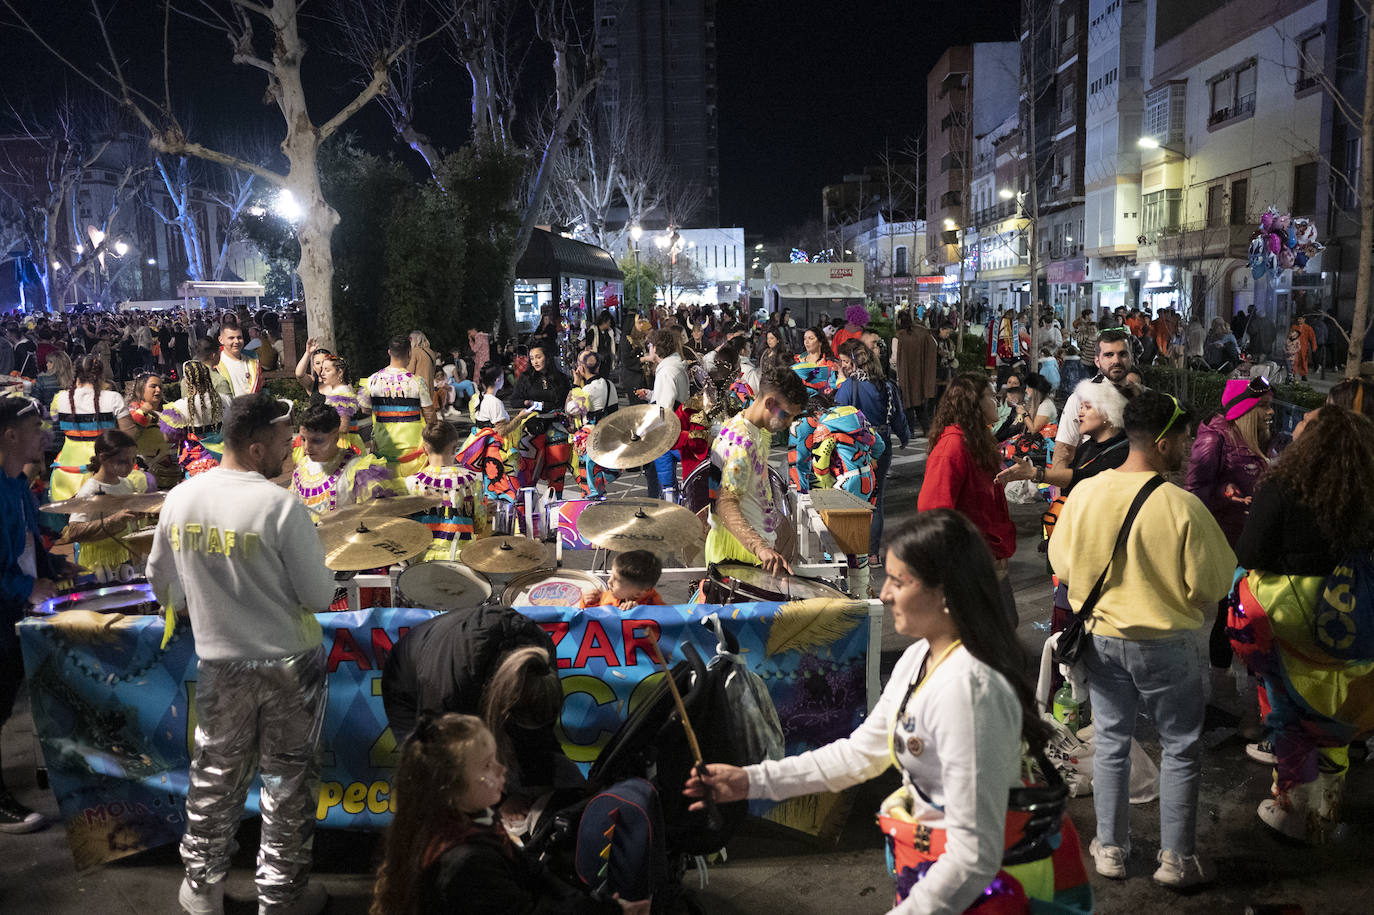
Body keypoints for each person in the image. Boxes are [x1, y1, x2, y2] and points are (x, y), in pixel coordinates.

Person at [686, 511, 1091, 914]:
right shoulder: (921, 656)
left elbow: (973, 858)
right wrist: (750, 781)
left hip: (985, 892)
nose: (883, 593)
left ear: (945, 592)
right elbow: (860, 754)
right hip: (938, 872)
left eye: (899, 581)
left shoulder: (968, 690)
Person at [147, 393, 337, 915]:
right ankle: (281, 897)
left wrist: (200, 606)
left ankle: (202, 888)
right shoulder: (280, 505)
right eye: (282, 441)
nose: (291, 447)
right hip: (289, 663)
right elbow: (320, 596)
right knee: (289, 781)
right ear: (255, 448)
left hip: (219, 662)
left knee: (215, 774)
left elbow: (160, 581)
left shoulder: (182, 498)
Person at [1048, 391, 1235, 889]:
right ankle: (1175, 860)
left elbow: (1061, 565)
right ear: (1162, 441)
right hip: (1167, 646)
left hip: (1101, 640)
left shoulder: (1085, 493)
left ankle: (1110, 848)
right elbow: (1214, 585)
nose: (1189, 444)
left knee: (1111, 742)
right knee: (1179, 747)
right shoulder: (1183, 507)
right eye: (1184, 437)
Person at [1228, 405, 1374, 844]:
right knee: (1336, 710)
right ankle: (1327, 809)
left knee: (1288, 709)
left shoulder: (1283, 485)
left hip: (1289, 616)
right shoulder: (1367, 488)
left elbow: (1250, 552)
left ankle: (1292, 808)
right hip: (1354, 615)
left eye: (1305, 425)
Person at [369, 714, 641, 915]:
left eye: (496, 758)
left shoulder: (476, 818)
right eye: (487, 765)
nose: (501, 770)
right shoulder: (466, 862)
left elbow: (533, 871)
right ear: (451, 785)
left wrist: (607, 908)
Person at [380, 605, 583, 810]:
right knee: (437, 785)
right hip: (408, 678)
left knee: (529, 754)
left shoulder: (541, 658)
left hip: (473, 658)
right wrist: (499, 804)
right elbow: (443, 760)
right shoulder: (448, 690)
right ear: (503, 706)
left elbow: (538, 742)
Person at [0, 396, 68, 834]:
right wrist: (27, 587)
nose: (44, 436)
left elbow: (25, 544)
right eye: (35, 428)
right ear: (9, 435)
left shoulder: (18, 484)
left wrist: (54, 569)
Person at [918, 373, 1017, 622]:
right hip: (969, 564)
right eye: (991, 397)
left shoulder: (976, 440)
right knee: (985, 637)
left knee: (1003, 628)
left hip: (986, 556)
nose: (997, 401)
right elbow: (934, 512)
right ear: (973, 403)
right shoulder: (953, 446)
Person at [704, 368, 808, 576]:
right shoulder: (740, 444)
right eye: (786, 415)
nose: (788, 424)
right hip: (736, 554)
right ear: (769, 403)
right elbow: (723, 502)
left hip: (744, 548)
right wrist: (760, 547)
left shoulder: (748, 428)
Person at [835, 339, 905, 559]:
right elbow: (898, 417)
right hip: (881, 447)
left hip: (853, 450)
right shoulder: (887, 385)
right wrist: (904, 437)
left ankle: (854, 552)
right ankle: (873, 554)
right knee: (877, 500)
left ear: (855, 363)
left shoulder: (847, 387)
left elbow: (837, 417)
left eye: (845, 361)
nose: (843, 366)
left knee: (854, 498)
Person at [62, 430, 156, 582]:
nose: (130, 466)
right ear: (103, 458)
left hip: (123, 557)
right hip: (98, 564)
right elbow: (74, 531)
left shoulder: (125, 483)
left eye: (133, 460)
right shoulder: (90, 489)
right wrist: (115, 519)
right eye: (122, 461)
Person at [48, 354, 139, 503]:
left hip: (66, 469)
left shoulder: (60, 398)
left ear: (75, 373)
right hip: (104, 467)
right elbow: (129, 433)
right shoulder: (113, 398)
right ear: (101, 374)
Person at [1050, 327, 1133, 485]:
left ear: (1131, 358)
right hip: (1091, 489)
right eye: (1108, 355)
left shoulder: (1142, 397)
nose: (1116, 360)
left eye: (1122, 354)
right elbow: (1063, 451)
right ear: (1096, 360)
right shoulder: (1080, 398)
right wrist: (1061, 500)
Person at [289, 403, 400, 516]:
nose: (307, 447)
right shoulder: (302, 466)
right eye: (303, 439)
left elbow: (372, 517)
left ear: (335, 436)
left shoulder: (358, 469)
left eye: (317, 441)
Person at [405, 421, 487, 560]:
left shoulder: (411, 482)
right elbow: (480, 526)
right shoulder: (473, 480)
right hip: (462, 559)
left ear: (425, 449)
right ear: (455, 449)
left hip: (422, 561)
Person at [360, 336, 435, 477]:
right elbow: (430, 414)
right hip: (414, 452)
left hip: (384, 448)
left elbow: (365, 409)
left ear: (389, 352)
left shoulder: (371, 380)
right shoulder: (417, 382)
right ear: (409, 353)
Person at [510, 344, 572, 498]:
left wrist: (542, 405)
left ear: (547, 357)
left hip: (556, 428)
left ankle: (555, 502)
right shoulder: (525, 378)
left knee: (557, 472)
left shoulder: (561, 378)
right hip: (532, 429)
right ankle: (526, 507)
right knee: (528, 472)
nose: (535, 361)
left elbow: (564, 402)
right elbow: (514, 401)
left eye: (538, 357)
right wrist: (528, 403)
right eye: (532, 358)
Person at [636, 329, 689, 500]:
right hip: (677, 428)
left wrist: (647, 429)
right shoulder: (673, 366)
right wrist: (651, 395)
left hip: (668, 434)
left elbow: (665, 407)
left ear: (656, 348)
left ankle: (669, 513)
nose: (648, 349)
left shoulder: (666, 371)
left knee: (666, 485)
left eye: (650, 346)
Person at [159, 360, 232, 478]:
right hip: (224, 457)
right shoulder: (225, 400)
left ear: (187, 381)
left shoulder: (181, 407)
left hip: (197, 461)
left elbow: (168, 437)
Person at [565, 351, 621, 499]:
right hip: (609, 434)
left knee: (590, 482)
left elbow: (570, 408)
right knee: (598, 478)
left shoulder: (587, 390)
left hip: (590, 438)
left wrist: (576, 383)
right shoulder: (609, 384)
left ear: (581, 368)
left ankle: (592, 503)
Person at [126, 371, 182, 491]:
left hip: (173, 474)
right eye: (153, 386)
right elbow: (129, 433)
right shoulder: (131, 411)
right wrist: (143, 411)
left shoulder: (170, 410)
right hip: (146, 475)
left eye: (160, 387)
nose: (158, 390)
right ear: (140, 389)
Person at [891, 313, 938, 434]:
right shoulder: (921, 333)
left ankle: (910, 430)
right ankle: (926, 429)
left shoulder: (899, 337)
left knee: (907, 404)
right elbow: (934, 345)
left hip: (904, 375)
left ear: (899, 321)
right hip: (919, 375)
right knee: (919, 403)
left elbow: (894, 359)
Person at [578, 549, 665, 610]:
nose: (609, 582)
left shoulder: (656, 608)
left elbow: (663, 630)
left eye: (617, 580)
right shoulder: (610, 595)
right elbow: (591, 625)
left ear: (638, 593)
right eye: (612, 575)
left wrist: (639, 615)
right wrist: (588, 603)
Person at [314, 354, 367, 453]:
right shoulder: (339, 391)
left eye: (327, 370)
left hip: (343, 443)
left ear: (340, 372)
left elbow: (344, 427)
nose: (322, 373)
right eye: (322, 369)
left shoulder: (341, 395)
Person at [215, 320, 262, 397]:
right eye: (231, 338)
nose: (236, 341)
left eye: (239, 337)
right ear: (221, 340)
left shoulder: (253, 363)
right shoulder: (215, 364)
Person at [794, 325, 838, 398]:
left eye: (811, 338)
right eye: (805, 339)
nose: (806, 342)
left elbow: (833, 387)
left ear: (820, 342)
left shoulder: (828, 364)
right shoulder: (797, 360)